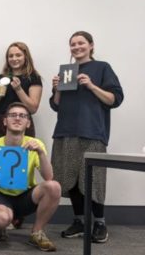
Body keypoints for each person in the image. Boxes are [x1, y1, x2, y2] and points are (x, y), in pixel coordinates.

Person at [50, 31, 124, 243]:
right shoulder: (66, 71)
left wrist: (91, 85)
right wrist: (57, 90)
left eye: (81, 43)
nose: (76, 47)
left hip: (92, 132)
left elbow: (115, 99)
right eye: (72, 44)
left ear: (91, 45)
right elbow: (56, 105)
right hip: (65, 131)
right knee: (70, 179)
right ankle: (80, 221)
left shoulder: (103, 68)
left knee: (94, 180)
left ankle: (100, 222)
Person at [0, 102, 60, 251]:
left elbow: (48, 177)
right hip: (0, 194)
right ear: (4, 121)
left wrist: (41, 153)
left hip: (25, 195)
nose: (17, 118)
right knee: (1, 219)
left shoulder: (36, 145)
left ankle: (37, 232)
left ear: (28, 123)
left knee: (54, 186)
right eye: (12, 115)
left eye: (22, 116)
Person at [0, 42, 42, 139]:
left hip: (23, 123)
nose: (14, 59)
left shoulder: (33, 78)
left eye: (18, 55)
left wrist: (19, 89)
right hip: (1, 124)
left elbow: (33, 109)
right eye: (11, 56)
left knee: (23, 153)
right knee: (0, 153)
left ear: (25, 57)